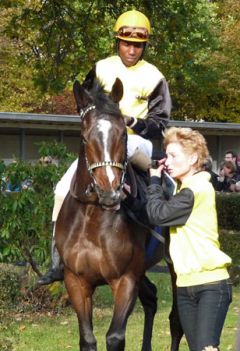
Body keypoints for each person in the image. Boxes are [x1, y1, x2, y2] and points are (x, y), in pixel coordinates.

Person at [37, 9, 171, 285]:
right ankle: (57, 260)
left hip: (135, 140)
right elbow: (84, 102)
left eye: (137, 45)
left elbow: (161, 123)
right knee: (62, 189)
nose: (131, 49)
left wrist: (132, 120)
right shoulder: (100, 68)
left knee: (154, 172)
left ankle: (159, 223)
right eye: (126, 43)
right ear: (117, 42)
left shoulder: (155, 76)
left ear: (144, 45)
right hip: (101, 142)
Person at [146, 127, 232, 351]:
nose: (168, 160)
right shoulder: (183, 189)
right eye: (167, 155)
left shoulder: (198, 188)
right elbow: (162, 209)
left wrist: (154, 182)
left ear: (194, 158)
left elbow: (159, 214)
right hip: (185, 285)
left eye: (174, 155)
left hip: (211, 285)